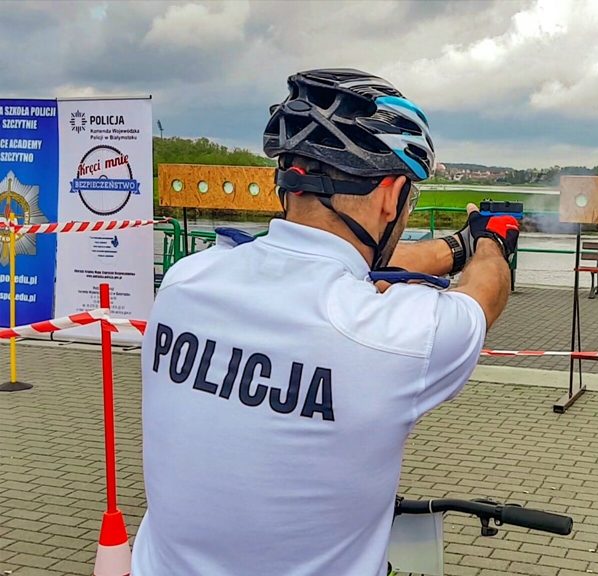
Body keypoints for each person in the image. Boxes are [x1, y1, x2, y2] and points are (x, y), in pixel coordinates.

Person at [131, 69, 520, 575]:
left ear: (288, 184)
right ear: (390, 196)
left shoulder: (187, 280)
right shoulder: (398, 338)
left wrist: (453, 247)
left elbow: (340, 268)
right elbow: (484, 293)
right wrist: (490, 240)